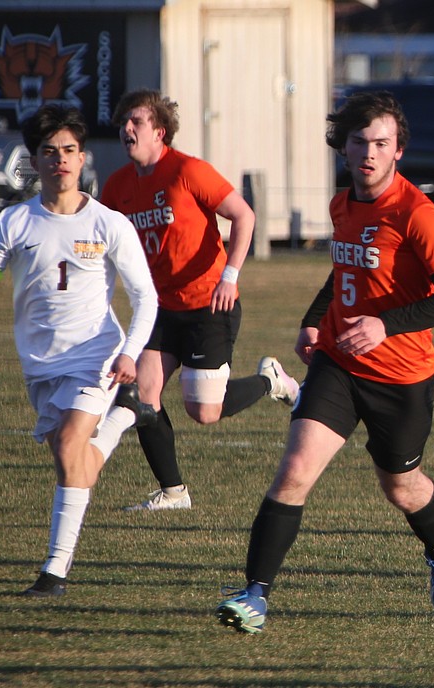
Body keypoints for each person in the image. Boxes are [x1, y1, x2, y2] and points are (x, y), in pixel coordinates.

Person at [214, 90, 434, 634]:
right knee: (293, 472)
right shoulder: (342, 204)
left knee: (400, 488)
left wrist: (384, 324)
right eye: (360, 142)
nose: (370, 153)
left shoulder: (418, 214)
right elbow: (343, 274)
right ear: (344, 146)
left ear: (398, 149)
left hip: (402, 376)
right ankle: (255, 595)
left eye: (382, 143)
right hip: (339, 363)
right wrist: (315, 318)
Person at [99, 89, 300, 511]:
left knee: (204, 412)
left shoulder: (187, 170)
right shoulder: (117, 187)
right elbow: (99, 244)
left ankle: (271, 381)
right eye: (124, 122)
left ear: (160, 131)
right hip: (157, 307)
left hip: (210, 304)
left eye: (136, 122)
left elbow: (244, 215)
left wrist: (230, 275)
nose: (127, 129)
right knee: (139, 392)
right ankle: (173, 492)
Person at [0, 104, 158, 596]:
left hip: (96, 355)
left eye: (68, 150)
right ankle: (126, 418)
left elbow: (146, 296)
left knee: (68, 447)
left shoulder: (109, 224)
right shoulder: (13, 224)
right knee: (76, 460)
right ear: (34, 161)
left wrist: (129, 353)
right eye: (49, 152)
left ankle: (53, 574)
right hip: (40, 365)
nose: (59, 160)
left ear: (82, 158)